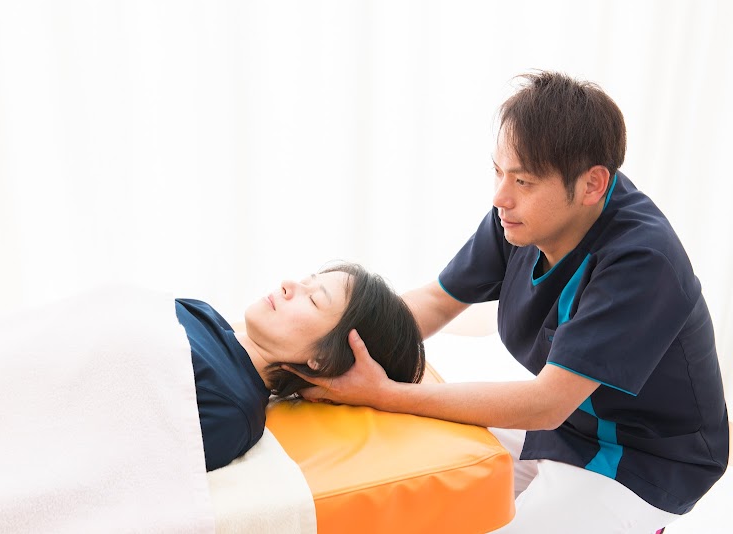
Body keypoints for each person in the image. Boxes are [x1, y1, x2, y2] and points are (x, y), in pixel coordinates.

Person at [289, 72, 729, 532]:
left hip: (647, 461)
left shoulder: (643, 261)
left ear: (593, 185)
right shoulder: (521, 218)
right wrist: (330, 347)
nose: (500, 197)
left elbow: (546, 403)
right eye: (498, 172)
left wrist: (388, 395)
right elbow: (438, 300)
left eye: (522, 180)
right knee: (417, 475)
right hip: (564, 426)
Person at [175, 261, 425, 471]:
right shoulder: (203, 312)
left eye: (314, 299)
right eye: (306, 281)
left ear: (323, 361)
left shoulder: (229, 410)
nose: (288, 284)